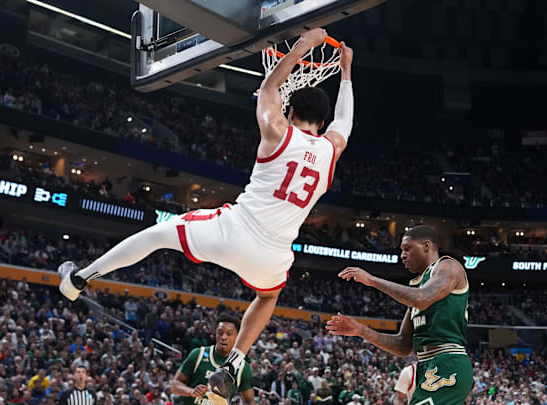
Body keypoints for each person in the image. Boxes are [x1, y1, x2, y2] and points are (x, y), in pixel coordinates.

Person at [58, 27, 355, 398]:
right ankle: (235, 363)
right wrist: (345, 72)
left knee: (156, 235)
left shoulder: (277, 129)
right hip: (274, 253)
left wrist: (301, 47)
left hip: (234, 229)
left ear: (289, 109)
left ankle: (80, 278)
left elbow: (268, 90)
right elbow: (346, 121)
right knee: (267, 298)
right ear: (322, 124)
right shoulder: (332, 149)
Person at [326, 225, 474, 405]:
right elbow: (403, 345)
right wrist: (360, 330)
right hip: (426, 365)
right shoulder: (417, 287)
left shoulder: (448, 266)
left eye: (407, 249)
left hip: (448, 362)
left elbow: (422, 298)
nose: (402, 255)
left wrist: (372, 280)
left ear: (426, 246)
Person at [170, 316, 255, 405]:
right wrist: (191, 391)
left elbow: (250, 401)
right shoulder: (198, 354)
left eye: (229, 334)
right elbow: (174, 385)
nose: (223, 337)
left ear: (237, 337)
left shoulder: (243, 367)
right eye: (220, 333)